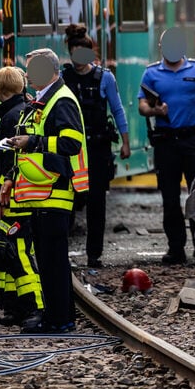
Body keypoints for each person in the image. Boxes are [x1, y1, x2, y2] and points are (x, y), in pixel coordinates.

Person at [0, 48, 88, 333]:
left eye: (32, 69)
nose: (27, 75)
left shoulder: (61, 100)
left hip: (54, 191)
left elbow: (71, 143)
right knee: (48, 261)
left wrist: (33, 142)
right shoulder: (43, 100)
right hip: (42, 193)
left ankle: (59, 320)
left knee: (53, 261)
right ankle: (55, 317)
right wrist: (11, 177)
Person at [137, 28, 195, 264]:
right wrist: (155, 111)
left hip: (192, 139)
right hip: (166, 142)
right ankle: (176, 248)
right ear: (161, 48)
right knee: (170, 197)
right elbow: (142, 106)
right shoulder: (151, 73)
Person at [0, 66, 43, 328]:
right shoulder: (24, 111)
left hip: (13, 196)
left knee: (19, 252)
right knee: (12, 253)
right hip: (22, 193)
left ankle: (35, 307)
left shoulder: (10, 118)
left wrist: (2, 195)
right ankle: (16, 308)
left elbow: (6, 162)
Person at [61, 24, 131, 268]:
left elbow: (118, 109)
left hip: (97, 148)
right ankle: (62, 252)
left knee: (96, 202)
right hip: (71, 148)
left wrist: (125, 141)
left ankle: (94, 254)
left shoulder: (105, 78)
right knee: (67, 200)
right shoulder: (63, 78)